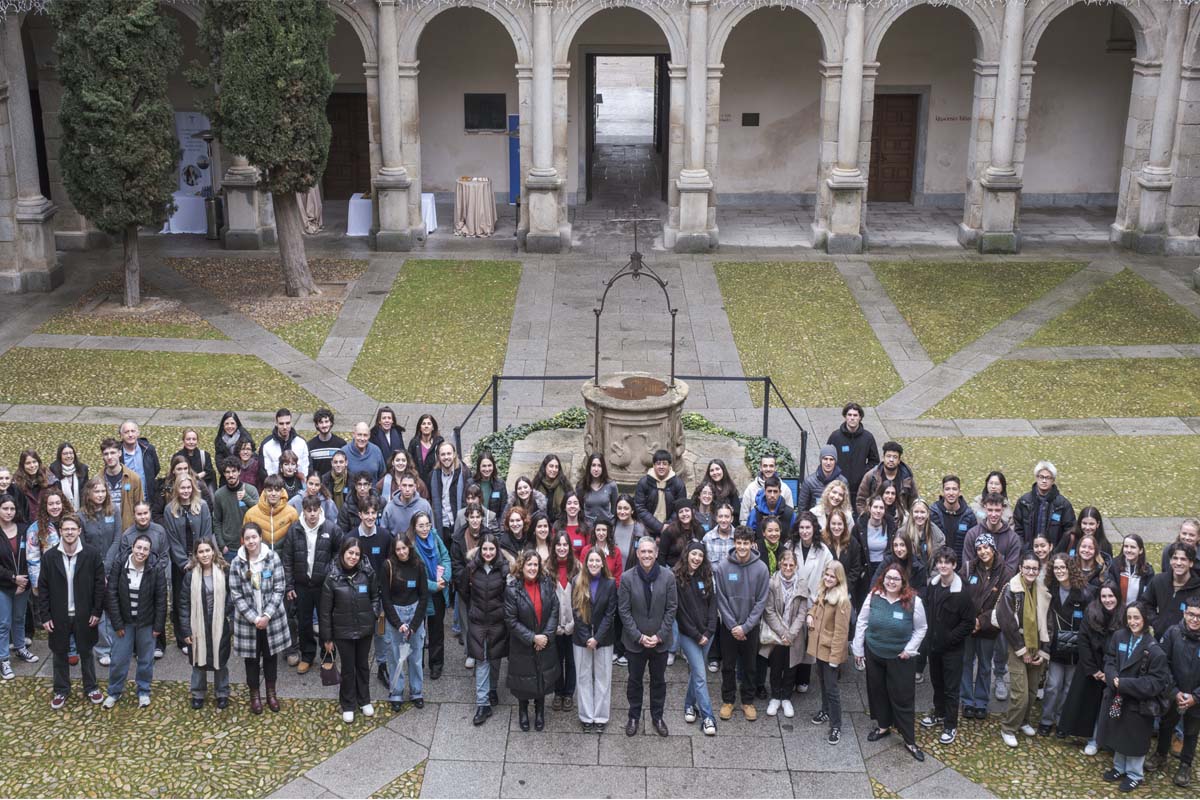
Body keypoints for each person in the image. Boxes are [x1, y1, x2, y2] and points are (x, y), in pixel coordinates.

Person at [852, 564, 928, 761]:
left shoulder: (913, 601)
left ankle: (909, 739)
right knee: (878, 692)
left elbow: (921, 628)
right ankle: (883, 726)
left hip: (900, 657)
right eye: (888, 578)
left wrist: (909, 650)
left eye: (895, 579)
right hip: (875, 653)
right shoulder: (874, 596)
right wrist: (858, 649)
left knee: (902, 698)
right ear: (883, 579)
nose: (891, 582)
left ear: (903, 581)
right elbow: (862, 622)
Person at [1097, 602, 1172, 793]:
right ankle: (1119, 767)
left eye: (1136, 617)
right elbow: (1109, 659)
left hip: (1138, 702)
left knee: (1135, 738)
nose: (1132, 622)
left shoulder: (1154, 649)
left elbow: (1154, 683)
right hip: (1117, 697)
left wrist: (1123, 684)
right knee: (1118, 732)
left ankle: (1135, 774)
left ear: (1145, 619)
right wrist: (1113, 677)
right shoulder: (1119, 636)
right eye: (1129, 617)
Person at [37, 513, 105, 710]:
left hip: (84, 614)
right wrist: (45, 615)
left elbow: (100, 585)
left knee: (86, 652)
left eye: (72, 529)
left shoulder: (91, 554)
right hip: (59, 615)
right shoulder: (50, 557)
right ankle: (61, 690)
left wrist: (96, 611)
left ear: (79, 531)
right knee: (59, 653)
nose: (69, 532)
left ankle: (91, 687)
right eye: (65, 529)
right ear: (60, 531)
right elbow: (43, 588)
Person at [229, 522, 291, 714]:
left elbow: (280, 587)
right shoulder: (236, 563)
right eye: (247, 538)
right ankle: (254, 695)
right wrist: (254, 618)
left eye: (254, 537)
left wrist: (266, 615)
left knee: (271, 657)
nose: (251, 541)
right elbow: (236, 594)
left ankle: (271, 693)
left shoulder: (272, 557)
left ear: (260, 537)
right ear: (243, 540)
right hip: (248, 623)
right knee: (251, 660)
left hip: (271, 620)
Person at [619, 536, 677, 737]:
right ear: (637, 554)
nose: (646, 555)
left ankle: (657, 716)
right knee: (634, 681)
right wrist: (638, 636)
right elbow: (624, 611)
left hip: (660, 643)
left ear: (656, 553)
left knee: (658, 681)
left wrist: (660, 635)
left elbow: (671, 609)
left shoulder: (668, 577)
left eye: (650, 551)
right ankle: (634, 716)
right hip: (636, 643)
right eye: (642, 552)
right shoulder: (627, 578)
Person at [996, 552, 1055, 748]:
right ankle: (1008, 727)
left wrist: (1043, 651)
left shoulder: (1042, 590)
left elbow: (1048, 621)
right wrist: (1022, 650)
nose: (1030, 571)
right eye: (1027, 567)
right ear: (1020, 568)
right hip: (1018, 646)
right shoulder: (1011, 589)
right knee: (1019, 693)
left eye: (1034, 568)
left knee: (1031, 691)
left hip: (1038, 645)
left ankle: (1023, 721)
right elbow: (1006, 622)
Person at [320, 537, 381, 724]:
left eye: (357, 554)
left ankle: (364, 700)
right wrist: (327, 637)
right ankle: (348, 704)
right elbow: (325, 611)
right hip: (342, 630)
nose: (353, 557)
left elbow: (375, 596)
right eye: (350, 553)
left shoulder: (367, 573)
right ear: (343, 553)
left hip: (364, 628)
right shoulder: (332, 577)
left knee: (363, 666)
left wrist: (373, 614)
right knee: (348, 668)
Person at [102, 533, 166, 708]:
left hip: (147, 622)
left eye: (145, 549)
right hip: (124, 622)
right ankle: (114, 692)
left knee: (146, 659)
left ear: (149, 551)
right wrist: (117, 623)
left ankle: (144, 691)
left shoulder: (156, 568)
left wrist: (158, 626)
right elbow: (111, 594)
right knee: (119, 659)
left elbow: (161, 599)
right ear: (132, 548)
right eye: (139, 547)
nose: (141, 552)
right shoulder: (119, 564)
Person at [1059, 582, 1124, 755]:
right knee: (1089, 706)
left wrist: (1110, 673)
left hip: (1113, 670)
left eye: (1111, 596)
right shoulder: (1091, 613)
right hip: (1092, 668)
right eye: (1104, 596)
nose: (1108, 600)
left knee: (1108, 708)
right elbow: (1083, 641)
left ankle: (1106, 739)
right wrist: (1094, 670)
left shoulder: (1124, 616)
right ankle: (1092, 739)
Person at [919, 547, 975, 745]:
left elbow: (968, 622)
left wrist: (950, 638)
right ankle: (939, 712)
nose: (943, 565)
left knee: (951, 688)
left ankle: (950, 725)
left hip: (952, 649)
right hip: (934, 647)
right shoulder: (933, 586)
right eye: (940, 562)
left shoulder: (963, 591)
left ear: (954, 565)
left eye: (947, 562)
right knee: (937, 682)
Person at [714, 527, 770, 722]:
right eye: (738, 542)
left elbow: (762, 600)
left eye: (746, 543)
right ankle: (728, 700)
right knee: (728, 665)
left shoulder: (761, 568)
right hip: (729, 627)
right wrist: (732, 625)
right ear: (734, 543)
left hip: (750, 628)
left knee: (750, 666)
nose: (742, 547)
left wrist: (745, 627)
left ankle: (747, 701)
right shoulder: (723, 567)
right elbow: (720, 598)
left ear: (751, 544)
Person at [281, 495, 340, 673]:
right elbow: (288, 558)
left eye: (315, 510)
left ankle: (327, 654)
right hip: (302, 584)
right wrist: (289, 586)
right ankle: (307, 655)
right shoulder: (294, 529)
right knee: (304, 622)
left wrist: (330, 571)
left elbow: (340, 552)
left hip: (324, 584)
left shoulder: (331, 528)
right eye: (309, 510)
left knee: (325, 621)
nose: (312, 514)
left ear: (320, 510)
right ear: (304, 511)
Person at [959, 534, 1012, 720]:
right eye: (979, 548)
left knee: (984, 665)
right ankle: (966, 700)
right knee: (966, 662)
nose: (983, 552)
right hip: (968, 625)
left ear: (993, 548)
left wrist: (981, 621)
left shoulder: (1005, 572)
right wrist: (969, 620)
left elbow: (1004, 604)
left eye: (986, 547)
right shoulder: (968, 568)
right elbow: (960, 594)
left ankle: (981, 701)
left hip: (989, 628)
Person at [1038, 553, 1091, 736]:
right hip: (1056, 647)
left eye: (1063, 567)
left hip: (1076, 649)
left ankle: (1062, 721)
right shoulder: (1049, 589)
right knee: (1052, 685)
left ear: (1070, 569)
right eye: (1056, 568)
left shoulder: (1084, 592)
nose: (1060, 571)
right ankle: (1046, 719)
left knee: (1069, 688)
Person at [506, 550, 559, 732]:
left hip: (544, 641)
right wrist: (532, 638)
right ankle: (522, 711)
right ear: (522, 566)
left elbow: (554, 610)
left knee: (541, 678)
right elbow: (511, 621)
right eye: (529, 564)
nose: (533, 568)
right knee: (523, 681)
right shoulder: (513, 589)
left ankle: (539, 711)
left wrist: (545, 636)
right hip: (523, 644)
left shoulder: (547, 584)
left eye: (535, 564)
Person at [1150, 596, 1200, 786]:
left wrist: (1195, 697)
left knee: (1191, 732)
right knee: (1166, 725)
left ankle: (1185, 765)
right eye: (1191, 615)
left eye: (1199, 616)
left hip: (1196, 699)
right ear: (1185, 613)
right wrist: (1174, 691)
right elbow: (1163, 665)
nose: (1195, 620)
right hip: (1173, 693)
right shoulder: (1173, 633)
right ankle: (1160, 754)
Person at [178, 538, 233, 710]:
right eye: (201, 551)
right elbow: (184, 603)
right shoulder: (190, 575)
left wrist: (226, 616)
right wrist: (186, 629)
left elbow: (232, 595)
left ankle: (222, 692)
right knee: (198, 660)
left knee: (220, 659)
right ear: (196, 554)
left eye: (207, 550)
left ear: (214, 551)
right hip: (198, 623)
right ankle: (198, 693)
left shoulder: (224, 571)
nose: (205, 555)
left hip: (219, 622)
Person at [465, 533, 512, 725]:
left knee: (495, 657)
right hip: (478, 622)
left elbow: (509, 595)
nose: (488, 552)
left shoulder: (504, 569)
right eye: (484, 549)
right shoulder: (471, 569)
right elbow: (464, 591)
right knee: (482, 660)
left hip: (497, 621)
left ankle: (492, 688)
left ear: (497, 550)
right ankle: (482, 704)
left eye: (491, 549)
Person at [163, 475, 213, 653]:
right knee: (180, 600)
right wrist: (184, 562)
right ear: (177, 489)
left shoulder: (203, 506)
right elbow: (172, 539)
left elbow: (207, 532)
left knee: (201, 599)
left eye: (188, 488)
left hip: (201, 560)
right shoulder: (170, 510)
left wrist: (200, 559)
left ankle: (201, 635)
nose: (185, 491)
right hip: (180, 565)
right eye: (182, 488)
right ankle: (183, 638)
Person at [381, 533, 430, 711]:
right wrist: (397, 623)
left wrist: (415, 624)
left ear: (409, 547)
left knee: (416, 658)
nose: (402, 552)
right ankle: (396, 693)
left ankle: (417, 692)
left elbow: (424, 596)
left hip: (414, 611)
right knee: (395, 658)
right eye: (398, 549)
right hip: (396, 614)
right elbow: (385, 598)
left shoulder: (418, 565)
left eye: (404, 548)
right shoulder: (388, 567)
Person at [807, 560, 852, 745]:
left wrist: (835, 658)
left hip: (830, 651)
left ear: (839, 578)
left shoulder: (842, 601)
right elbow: (816, 606)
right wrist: (810, 614)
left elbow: (841, 633)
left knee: (832, 689)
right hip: (819, 648)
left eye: (832, 576)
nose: (828, 578)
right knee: (823, 683)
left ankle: (836, 725)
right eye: (826, 574)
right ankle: (825, 711)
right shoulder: (823, 591)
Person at [675, 541, 717, 735]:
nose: (697, 558)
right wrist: (697, 635)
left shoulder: (707, 575)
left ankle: (689, 705)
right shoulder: (677, 578)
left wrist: (708, 632)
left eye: (700, 555)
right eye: (694, 554)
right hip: (689, 635)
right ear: (687, 554)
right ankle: (708, 717)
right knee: (700, 675)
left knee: (696, 673)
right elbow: (680, 614)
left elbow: (712, 606)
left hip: (708, 635)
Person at [573, 548, 616, 732]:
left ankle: (600, 716)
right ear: (585, 562)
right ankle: (586, 716)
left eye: (597, 561)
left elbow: (610, 614)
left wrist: (597, 638)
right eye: (591, 561)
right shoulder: (577, 581)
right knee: (583, 678)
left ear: (603, 563)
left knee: (603, 678)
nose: (594, 564)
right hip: (581, 639)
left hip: (604, 639)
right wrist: (586, 638)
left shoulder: (610, 584)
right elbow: (576, 612)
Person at [761, 548, 808, 718]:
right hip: (777, 634)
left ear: (796, 566)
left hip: (794, 635)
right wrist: (782, 633)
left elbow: (803, 612)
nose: (788, 567)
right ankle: (775, 696)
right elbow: (769, 611)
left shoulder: (801, 583)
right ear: (780, 564)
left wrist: (791, 634)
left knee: (791, 666)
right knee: (776, 665)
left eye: (791, 565)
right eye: (785, 564)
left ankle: (786, 697)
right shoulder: (772, 582)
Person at [412, 511, 450, 681]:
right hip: (420, 595)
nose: (425, 528)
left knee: (436, 630)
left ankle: (436, 664)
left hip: (439, 592)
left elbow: (446, 557)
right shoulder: (411, 545)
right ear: (414, 527)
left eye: (427, 524)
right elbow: (414, 576)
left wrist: (445, 577)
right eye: (421, 525)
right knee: (419, 631)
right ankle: (417, 664)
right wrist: (435, 585)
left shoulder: (434, 536)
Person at [0, 494, 36, 676]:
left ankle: (21, 647)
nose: (8, 512)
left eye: (12, 509)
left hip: (24, 583)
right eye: (5, 508)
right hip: (4, 586)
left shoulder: (24, 529)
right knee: (4, 623)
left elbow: (32, 555)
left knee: (19, 618)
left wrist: (24, 580)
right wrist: (13, 578)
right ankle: (4, 659)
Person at [1012, 461, 1076, 550]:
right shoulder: (1024, 502)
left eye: (1048, 478)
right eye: (1041, 477)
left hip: (1053, 555)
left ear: (1053, 480)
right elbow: (1018, 529)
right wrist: (1024, 549)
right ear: (1036, 478)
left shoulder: (1063, 505)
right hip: (1028, 554)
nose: (1044, 480)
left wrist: (1057, 552)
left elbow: (1069, 531)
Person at [549, 531, 578, 710]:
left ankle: (569, 693)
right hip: (555, 626)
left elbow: (583, 598)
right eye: (558, 545)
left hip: (574, 625)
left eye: (565, 545)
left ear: (569, 547)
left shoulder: (578, 567)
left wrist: (576, 622)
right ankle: (558, 692)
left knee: (572, 660)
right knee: (556, 659)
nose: (561, 548)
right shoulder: (546, 569)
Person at [826, 401, 878, 501]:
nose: (852, 418)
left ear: (860, 417)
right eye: (849, 415)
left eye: (855, 415)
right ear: (845, 417)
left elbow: (874, 461)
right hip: (839, 487)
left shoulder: (868, 438)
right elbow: (827, 458)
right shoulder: (835, 437)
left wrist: (863, 473)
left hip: (860, 488)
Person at [1148, 544, 1200, 639]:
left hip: (1187, 644)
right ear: (1170, 561)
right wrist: (1157, 623)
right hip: (1160, 639)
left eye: (1183, 559)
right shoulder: (1158, 581)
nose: (1178, 563)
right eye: (1175, 558)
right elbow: (1146, 604)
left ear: (1191, 563)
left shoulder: (1197, 588)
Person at [212, 458, 258, 564]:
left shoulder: (251, 490)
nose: (231, 475)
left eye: (233, 471)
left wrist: (246, 498)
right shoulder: (219, 494)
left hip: (250, 544)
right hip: (229, 549)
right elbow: (216, 521)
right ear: (224, 474)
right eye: (227, 472)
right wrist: (222, 545)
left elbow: (259, 513)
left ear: (239, 472)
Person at [855, 441, 917, 516]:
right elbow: (861, 501)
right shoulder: (871, 476)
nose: (891, 460)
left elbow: (914, 502)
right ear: (883, 458)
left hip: (899, 520)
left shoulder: (907, 478)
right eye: (888, 456)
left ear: (899, 461)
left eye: (895, 457)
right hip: (875, 519)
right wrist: (866, 519)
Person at [634, 450, 687, 537]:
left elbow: (679, 508)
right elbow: (640, 508)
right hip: (647, 528)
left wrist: (668, 526)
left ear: (669, 466)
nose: (661, 467)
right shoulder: (644, 483)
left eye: (664, 464)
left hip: (671, 528)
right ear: (654, 465)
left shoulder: (678, 484)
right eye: (658, 463)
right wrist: (659, 527)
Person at [853, 496, 897, 597]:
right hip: (866, 569)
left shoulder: (891, 526)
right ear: (869, 508)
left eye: (881, 508)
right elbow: (855, 550)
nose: (878, 511)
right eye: (875, 507)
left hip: (884, 568)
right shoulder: (860, 526)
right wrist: (860, 571)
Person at [241, 475, 298, 551]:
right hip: (259, 559)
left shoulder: (292, 513)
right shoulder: (250, 514)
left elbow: (297, 541)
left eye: (277, 490)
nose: (273, 493)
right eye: (270, 490)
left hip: (284, 560)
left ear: (281, 492)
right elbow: (244, 541)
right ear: (264, 491)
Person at [930, 475, 978, 563]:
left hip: (961, 568)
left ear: (959, 492)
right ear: (943, 492)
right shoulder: (933, 513)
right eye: (947, 489)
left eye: (954, 489)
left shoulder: (969, 516)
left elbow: (974, 544)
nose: (951, 493)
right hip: (937, 566)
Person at [98, 438, 142, 532]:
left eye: (113, 453)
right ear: (102, 456)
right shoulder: (98, 480)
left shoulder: (133, 478)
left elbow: (139, 505)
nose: (109, 457)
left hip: (127, 530)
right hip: (105, 530)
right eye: (106, 454)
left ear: (119, 453)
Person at [823, 512, 864, 609]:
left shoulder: (852, 542)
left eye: (839, 524)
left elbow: (855, 569)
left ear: (844, 525)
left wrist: (843, 588)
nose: (836, 527)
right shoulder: (822, 542)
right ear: (828, 524)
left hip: (846, 592)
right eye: (833, 524)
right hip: (825, 589)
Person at [739, 453, 794, 524]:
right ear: (760, 467)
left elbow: (789, 516)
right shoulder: (751, 489)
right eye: (765, 466)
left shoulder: (785, 489)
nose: (768, 469)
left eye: (771, 466)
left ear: (775, 468)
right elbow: (744, 519)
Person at [259, 408, 310, 479]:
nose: (285, 427)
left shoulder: (301, 442)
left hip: (298, 486)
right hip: (276, 487)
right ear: (276, 424)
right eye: (281, 424)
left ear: (291, 423)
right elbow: (264, 472)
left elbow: (307, 467)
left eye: (287, 423)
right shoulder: (267, 445)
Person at [797, 445, 846, 518]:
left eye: (831, 459)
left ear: (835, 461)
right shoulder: (809, 482)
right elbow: (802, 508)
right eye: (825, 459)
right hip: (814, 523)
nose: (828, 462)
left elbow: (845, 506)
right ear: (821, 460)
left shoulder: (843, 481)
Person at [381, 474, 432, 542]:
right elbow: (383, 533)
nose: (407, 489)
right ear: (399, 487)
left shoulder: (424, 505)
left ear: (415, 487)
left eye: (410, 486)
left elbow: (432, 530)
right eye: (404, 485)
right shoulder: (389, 507)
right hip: (398, 549)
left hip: (421, 547)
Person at [119, 421, 161, 502]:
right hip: (126, 500)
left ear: (138, 433)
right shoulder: (117, 452)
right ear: (121, 435)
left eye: (133, 431)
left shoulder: (148, 449)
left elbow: (156, 468)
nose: (130, 435)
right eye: (126, 432)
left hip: (146, 498)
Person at [1108, 534, 1154, 608]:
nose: (1129, 550)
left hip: (1137, 612)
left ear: (1141, 550)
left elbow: (1148, 597)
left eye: (1133, 547)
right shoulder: (1114, 566)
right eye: (1126, 546)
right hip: (1116, 610)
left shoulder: (1148, 571)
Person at [578, 453, 618, 527]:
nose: (596, 469)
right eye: (593, 465)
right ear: (589, 467)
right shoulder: (582, 486)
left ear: (603, 468)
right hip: (588, 527)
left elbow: (614, 510)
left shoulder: (611, 485)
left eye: (599, 466)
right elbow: (579, 509)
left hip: (605, 527)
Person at [532, 454, 571, 526]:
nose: (554, 469)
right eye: (551, 466)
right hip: (540, 524)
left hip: (560, 525)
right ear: (545, 467)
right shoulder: (536, 484)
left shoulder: (564, 484)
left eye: (556, 467)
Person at [903, 499, 945, 567]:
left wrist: (933, 577)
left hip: (930, 575)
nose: (919, 516)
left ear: (928, 514)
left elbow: (939, 562)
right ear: (911, 513)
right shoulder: (903, 532)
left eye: (922, 512)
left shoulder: (937, 534)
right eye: (916, 512)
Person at [307, 408, 346, 478]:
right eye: (321, 422)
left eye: (326, 421)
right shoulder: (310, 446)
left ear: (331, 423)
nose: (324, 425)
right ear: (316, 425)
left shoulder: (341, 444)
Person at [406, 414, 443, 487]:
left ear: (433, 427)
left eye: (429, 424)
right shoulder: (414, 443)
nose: (426, 426)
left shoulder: (439, 443)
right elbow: (409, 462)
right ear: (420, 427)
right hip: (418, 482)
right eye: (423, 424)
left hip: (435, 482)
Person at [50, 442, 88, 510]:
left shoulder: (82, 469)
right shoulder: (53, 470)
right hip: (60, 512)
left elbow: (86, 493)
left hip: (81, 511)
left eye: (71, 453)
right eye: (65, 454)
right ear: (60, 456)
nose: (68, 456)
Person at [702, 459, 741, 524]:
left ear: (723, 470)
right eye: (712, 470)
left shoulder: (731, 488)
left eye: (717, 469)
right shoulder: (704, 489)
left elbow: (737, 512)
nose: (715, 473)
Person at [554, 491, 589, 559]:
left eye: (575, 503)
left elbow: (588, 552)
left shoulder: (586, 528)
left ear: (579, 507)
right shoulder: (557, 526)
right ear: (564, 507)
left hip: (580, 567)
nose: (572, 506)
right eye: (569, 503)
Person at [472, 451, 507, 518]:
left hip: (494, 525)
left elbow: (504, 509)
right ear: (479, 467)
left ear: (493, 466)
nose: (487, 469)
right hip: (476, 523)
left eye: (489, 465)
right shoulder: (471, 483)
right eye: (484, 466)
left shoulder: (500, 484)